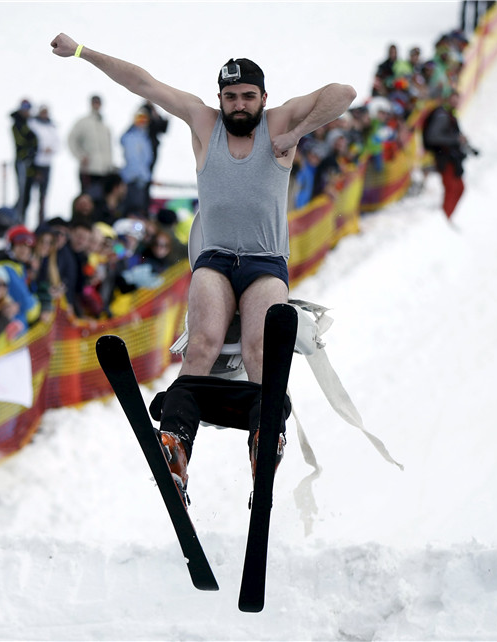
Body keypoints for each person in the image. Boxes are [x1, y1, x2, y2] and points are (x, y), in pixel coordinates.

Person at [51, 33, 355, 493]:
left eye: (247, 97)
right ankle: (175, 444)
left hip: (266, 262)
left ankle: (264, 437)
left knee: (260, 348)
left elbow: (343, 94)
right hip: (214, 259)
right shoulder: (203, 121)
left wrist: (296, 133)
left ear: (263, 98)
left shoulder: (278, 123)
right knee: (202, 344)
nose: (238, 105)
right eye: (230, 96)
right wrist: (82, 52)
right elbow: (143, 83)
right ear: (219, 98)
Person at [422, 89, 476, 220]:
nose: (455, 102)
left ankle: (447, 218)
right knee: (452, 187)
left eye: (457, 99)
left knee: (459, 187)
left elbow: (456, 136)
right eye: (453, 99)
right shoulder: (442, 115)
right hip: (444, 158)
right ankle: (444, 218)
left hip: (451, 158)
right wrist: (456, 140)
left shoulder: (450, 115)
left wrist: (469, 147)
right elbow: (433, 137)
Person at [68, 94, 114, 201]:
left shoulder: (104, 126)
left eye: (98, 102)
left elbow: (109, 148)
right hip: (89, 170)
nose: (96, 105)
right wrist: (80, 156)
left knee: (102, 201)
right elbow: (71, 140)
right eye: (94, 102)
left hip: (104, 171)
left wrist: (110, 164)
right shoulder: (83, 122)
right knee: (88, 200)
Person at [27, 104, 60, 224]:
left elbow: (58, 143)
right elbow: (31, 141)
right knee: (30, 193)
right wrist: (41, 149)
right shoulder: (33, 124)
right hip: (35, 163)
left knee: (44, 195)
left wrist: (51, 149)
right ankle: (25, 219)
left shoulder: (52, 126)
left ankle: (40, 220)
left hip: (47, 164)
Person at [120, 110, 154, 218]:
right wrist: (138, 175)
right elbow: (132, 158)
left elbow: (147, 159)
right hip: (133, 179)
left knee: (140, 209)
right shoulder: (131, 137)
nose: (142, 122)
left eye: (144, 120)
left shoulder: (144, 138)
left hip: (142, 179)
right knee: (133, 209)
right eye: (139, 119)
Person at [11, 99, 38, 222]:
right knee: (22, 192)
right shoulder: (17, 124)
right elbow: (21, 141)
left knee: (28, 194)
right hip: (22, 162)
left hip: (31, 164)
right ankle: (18, 218)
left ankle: (22, 218)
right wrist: (29, 150)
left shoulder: (30, 123)